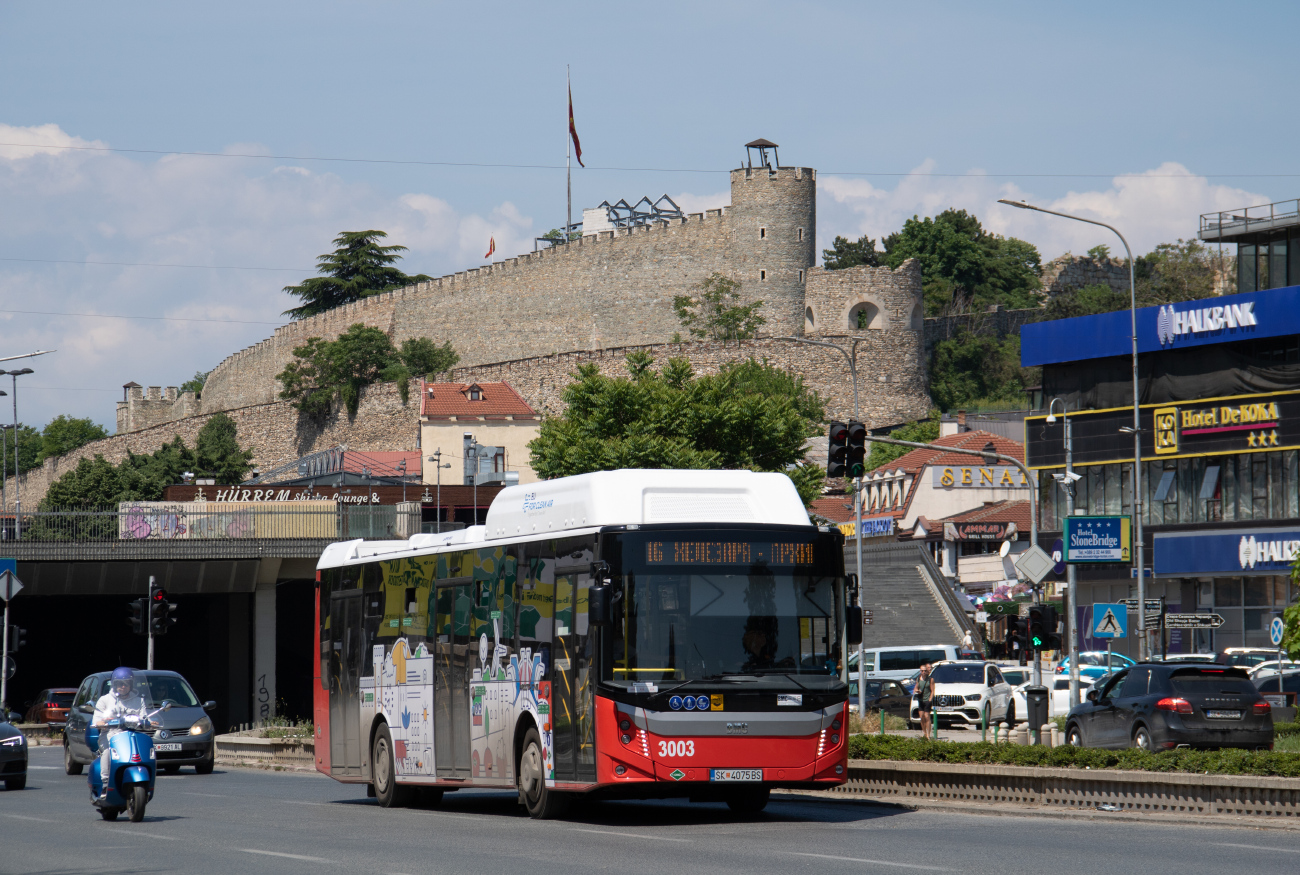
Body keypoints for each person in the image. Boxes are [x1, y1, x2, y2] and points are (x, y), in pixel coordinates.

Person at [92, 667, 149, 800]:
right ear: (114, 684)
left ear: (131, 684)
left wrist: (150, 721)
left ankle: (146, 784)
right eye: (119, 684)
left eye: (126, 683)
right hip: (110, 734)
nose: (122, 686)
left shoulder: (138, 700)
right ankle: (106, 783)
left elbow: (144, 717)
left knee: (147, 751)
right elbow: (97, 720)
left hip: (132, 735)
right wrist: (102, 722)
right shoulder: (105, 700)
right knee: (107, 752)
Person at [915, 663, 934, 740]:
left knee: (927, 716)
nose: (923, 672)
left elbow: (933, 691)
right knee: (922, 717)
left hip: (927, 700)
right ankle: (924, 733)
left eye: (925, 671)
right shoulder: (918, 679)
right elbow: (916, 688)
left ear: (927, 671)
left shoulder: (930, 679)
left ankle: (928, 734)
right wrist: (917, 691)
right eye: (922, 671)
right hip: (920, 699)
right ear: (920, 671)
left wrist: (930, 700)